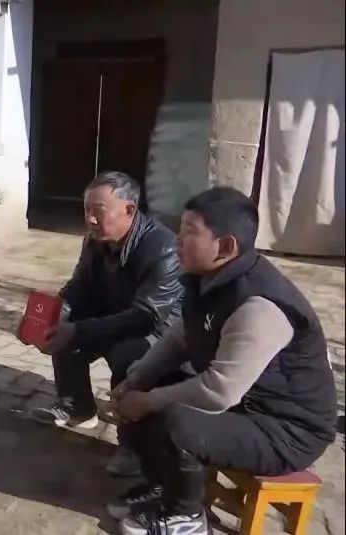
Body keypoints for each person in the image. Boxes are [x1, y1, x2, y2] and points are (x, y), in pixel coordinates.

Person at [108, 187, 336, 535]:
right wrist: (135, 381)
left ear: (227, 247)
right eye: (180, 229)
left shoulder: (259, 305)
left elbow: (218, 392)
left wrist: (149, 400)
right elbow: (178, 340)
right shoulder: (206, 280)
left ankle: (186, 516)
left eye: (190, 232)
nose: (177, 240)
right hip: (247, 405)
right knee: (140, 375)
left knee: (173, 419)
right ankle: (165, 486)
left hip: (285, 431)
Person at [31, 171, 182, 477]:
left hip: (155, 328)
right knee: (63, 333)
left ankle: (133, 443)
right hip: (112, 313)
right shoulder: (94, 240)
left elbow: (146, 315)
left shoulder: (164, 248)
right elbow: (78, 286)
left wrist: (79, 329)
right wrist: (54, 315)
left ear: (129, 209)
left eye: (99, 211)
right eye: (86, 209)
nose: (90, 219)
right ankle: (78, 408)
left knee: (129, 356)